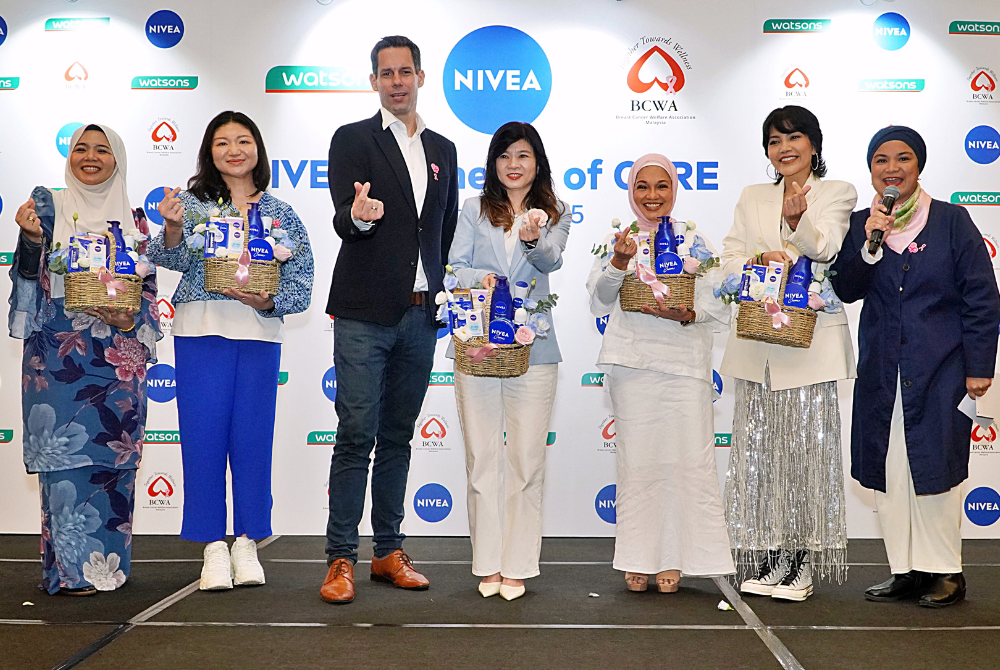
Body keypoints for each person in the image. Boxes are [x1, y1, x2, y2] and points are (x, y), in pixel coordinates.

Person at [831, 126, 999, 608]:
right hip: (884, 371)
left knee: (936, 468)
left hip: (942, 368)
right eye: (881, 160)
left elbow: (981, 298)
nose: (892, 169)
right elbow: (846, 288)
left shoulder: (951, 220)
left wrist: (979, 365)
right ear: (871, 170)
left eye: (902, 158)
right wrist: (869, 242)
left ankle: (946, 571)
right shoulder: (866, 222)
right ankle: (905, 569)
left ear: (918, 165)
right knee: (890, 468)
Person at [148, 111, 314, 591]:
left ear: (258, 149)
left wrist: (272, 300)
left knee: (252, 441)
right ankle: (212, 547)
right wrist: (175, 228)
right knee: (202, 440)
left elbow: (301, 280)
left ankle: (247, 542)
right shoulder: (193, 203)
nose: (234, 150)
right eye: (222, 142)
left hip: (259, 336)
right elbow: (173, 259)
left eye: (243, 140)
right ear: (209, 151)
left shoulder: (281, 212)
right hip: (201, 329)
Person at [320, 35, 459, 605]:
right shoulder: (352, 139)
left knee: (398, 437)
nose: (397, 81)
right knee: (356, 436)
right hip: (362, 314)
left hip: (420, 316)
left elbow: (443, 229)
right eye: (387, 73)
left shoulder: (444, 149)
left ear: (421, 77)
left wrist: (438, 288)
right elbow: (343, 218)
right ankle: (339, 560)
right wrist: (358, 216)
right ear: (373, 81)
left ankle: (387, 551)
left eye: (406, 72)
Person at [9, 124, 160, 595]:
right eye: (81, 148)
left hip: (118, 361)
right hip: (56, 360)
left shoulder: (135, 220)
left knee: (111, 463)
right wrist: (32, 240)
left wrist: (129, 317)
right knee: (66, 464)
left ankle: (107, 568)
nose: (90, 157)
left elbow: (147, 289)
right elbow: (28, 276)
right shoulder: (48, 206)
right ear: (69, 157)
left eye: (102, 149)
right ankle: (71, 572)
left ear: (118, 159)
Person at [720, 106, 858, 601]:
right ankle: (774, 552)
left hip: (809, 346)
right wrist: (761, 259)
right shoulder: (753, 195)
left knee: (805, 457)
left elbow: (826, 247)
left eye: (794, 138)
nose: (784, 149)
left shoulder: (837, 192)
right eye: (774, 141)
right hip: (758, 344)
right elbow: (730, 255)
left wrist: (796, 224)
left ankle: (801, 563)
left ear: (814, 144)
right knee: (764, 457)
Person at [588, 154, 735, 593]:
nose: (652, 196)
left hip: (686, 367)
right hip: (633, 366)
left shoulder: (695, 240)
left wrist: (687, 312)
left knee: (689, 465)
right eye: (642, 187)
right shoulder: (621, 239)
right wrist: (618, 260)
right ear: (631, 193)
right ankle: (638, 556)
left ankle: (676, 559)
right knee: (639, 465)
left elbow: (719, 305)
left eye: (661, 186)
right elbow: (598, 300)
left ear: (674, 190)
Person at [449, 122, 569, 601]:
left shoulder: (555, 213)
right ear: (493, 164)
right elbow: (455, 267)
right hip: (477, 345)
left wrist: (532, 238)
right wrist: (489, 280)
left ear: (536, 162)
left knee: (525, 461)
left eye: (522, 155)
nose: (513, 164)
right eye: (504, 156)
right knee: (481, 458)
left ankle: (518, 564)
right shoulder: (473, 209)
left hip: (534, 351)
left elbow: (551, 261)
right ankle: (489, 563)